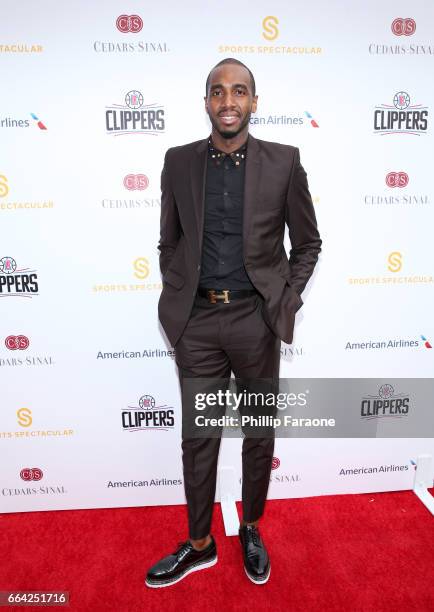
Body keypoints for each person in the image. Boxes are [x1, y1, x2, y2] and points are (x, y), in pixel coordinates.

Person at [145, 58, 321, 588]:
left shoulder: (284, 161)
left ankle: (250, 527)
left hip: (256, 320)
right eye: (218, 92)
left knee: (258, 433)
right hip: (196, 323)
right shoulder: (178, 162)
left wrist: (281, 299)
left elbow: (308, 243)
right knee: (199, 436)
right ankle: (199, 544)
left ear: (254, 102)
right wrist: (179, 293)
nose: (228, 101)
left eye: (239, 91)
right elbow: (168, 241)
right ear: (205, 102)